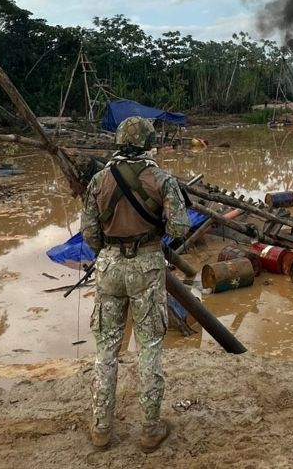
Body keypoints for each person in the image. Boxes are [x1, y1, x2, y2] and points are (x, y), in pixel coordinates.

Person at [80, 116, 191, 452]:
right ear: (148, 142)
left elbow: (89, 233)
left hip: (109, 266)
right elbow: (180, 227)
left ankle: (101, 430)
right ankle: (150, 430)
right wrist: (154, 239)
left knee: (106, 350)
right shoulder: (162, 178)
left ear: (118, 141)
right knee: (150, 348)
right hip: (147, 265)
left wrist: (109, 253)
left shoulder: (98, 180)